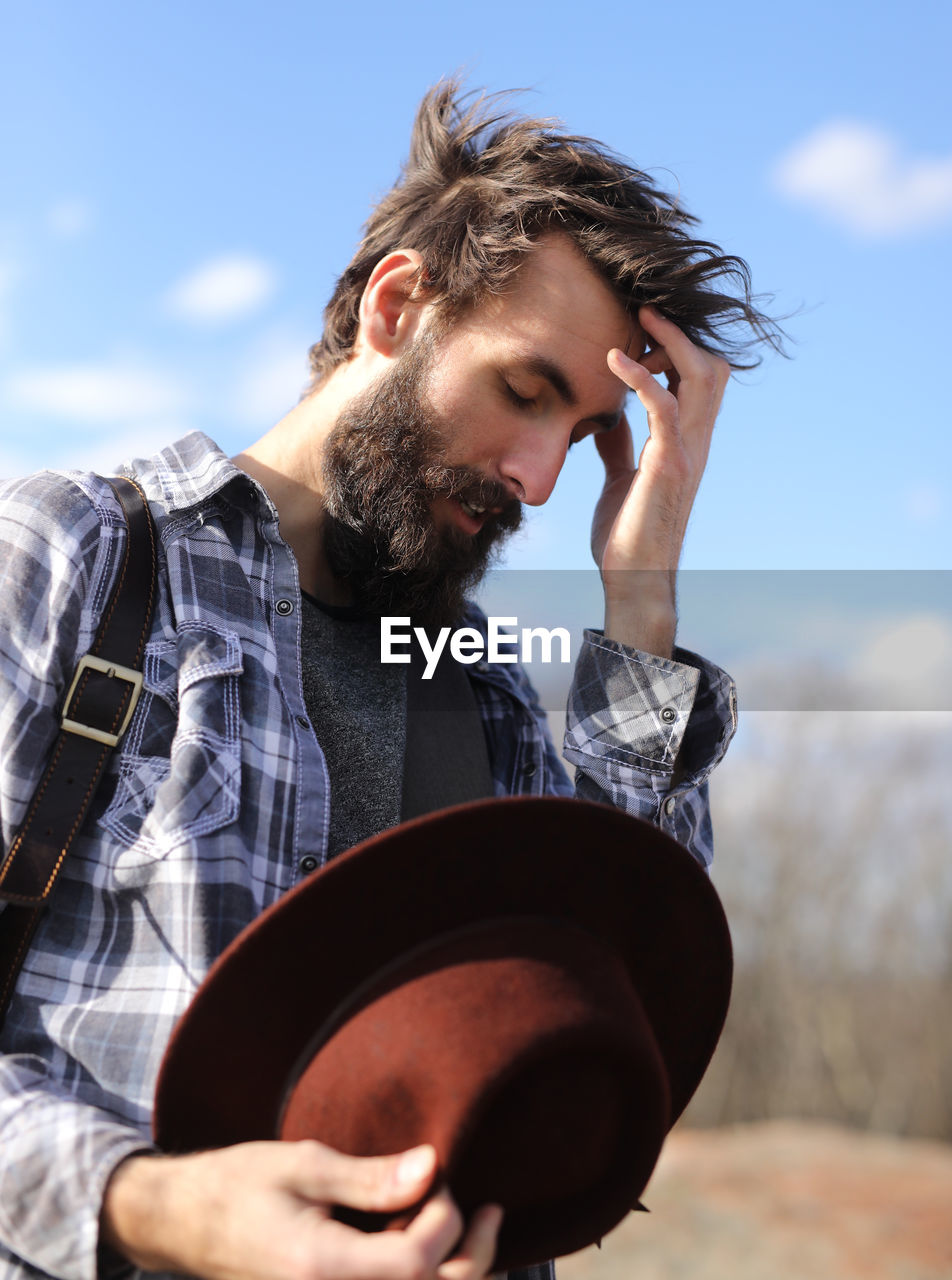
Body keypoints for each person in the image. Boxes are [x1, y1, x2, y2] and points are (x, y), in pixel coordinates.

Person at [0, 81, 779, 1280]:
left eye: (577, 436)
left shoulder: (488, 694)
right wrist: (153, 1202)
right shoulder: (80, 555)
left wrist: (640, 604)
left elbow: (631, 1003)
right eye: (524, 391)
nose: (535, 478)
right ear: (397, 304)